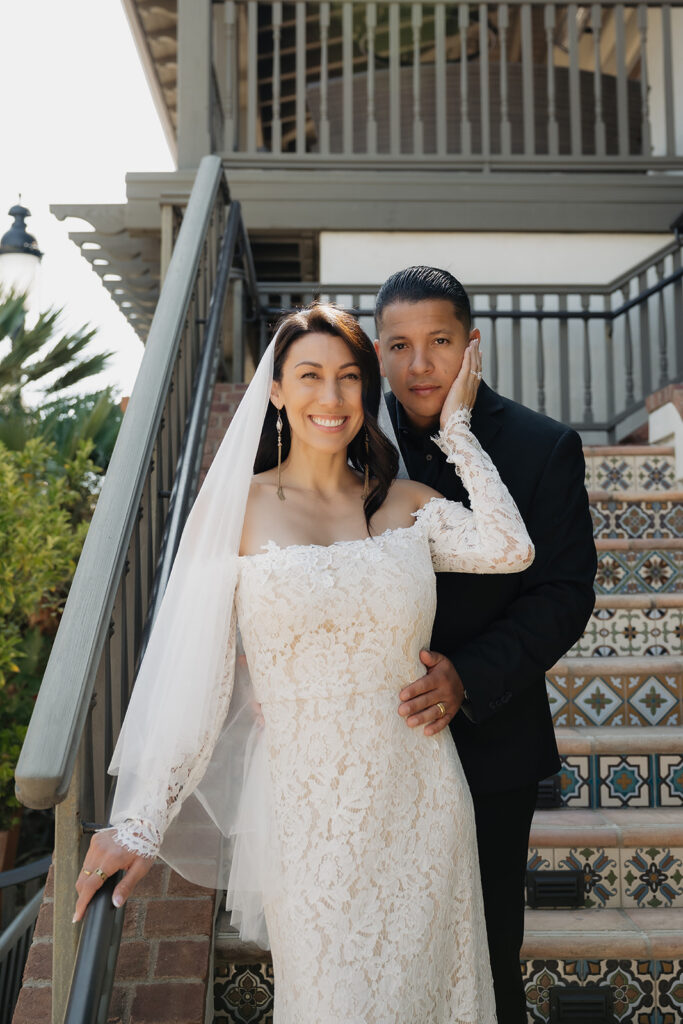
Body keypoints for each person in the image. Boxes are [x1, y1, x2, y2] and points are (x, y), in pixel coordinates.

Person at [74, 304, 535, 1023]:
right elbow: (197, 677)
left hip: (422, 800)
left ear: (367, 392)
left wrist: (457, 431)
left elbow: (511, 548)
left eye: (350, 378)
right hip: (310, 813)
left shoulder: (407, 506)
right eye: (311, 376)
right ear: (278, 391)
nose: (331, 397)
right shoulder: (237, 510)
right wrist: (141, 822)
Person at [374, 267, 597, 1024]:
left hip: (489, 741)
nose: (418, 365)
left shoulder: (542, 447)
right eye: (398, 346)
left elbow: (565, 592)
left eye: (438, 342)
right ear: (378, 354)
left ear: (472, 347)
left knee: (483, 949)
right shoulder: (349, 444)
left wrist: (468, 676)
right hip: (368, 745)